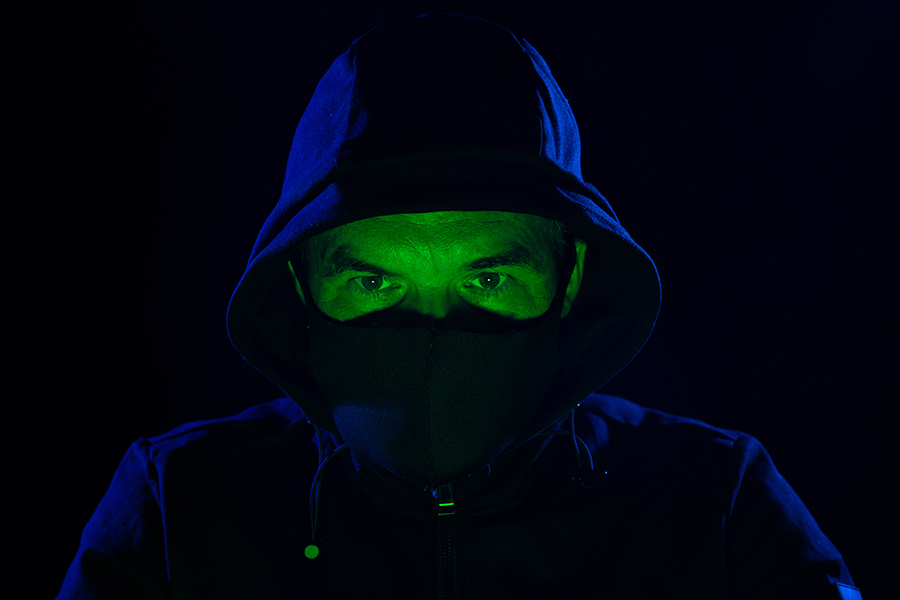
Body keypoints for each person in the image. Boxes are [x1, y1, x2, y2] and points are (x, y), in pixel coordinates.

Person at [57, 13, 862, 599]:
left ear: (572, 281)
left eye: (488, 280)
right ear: (299, 286)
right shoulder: (179, 506)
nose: (434, 339)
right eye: (373, 284)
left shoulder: (714, 499)